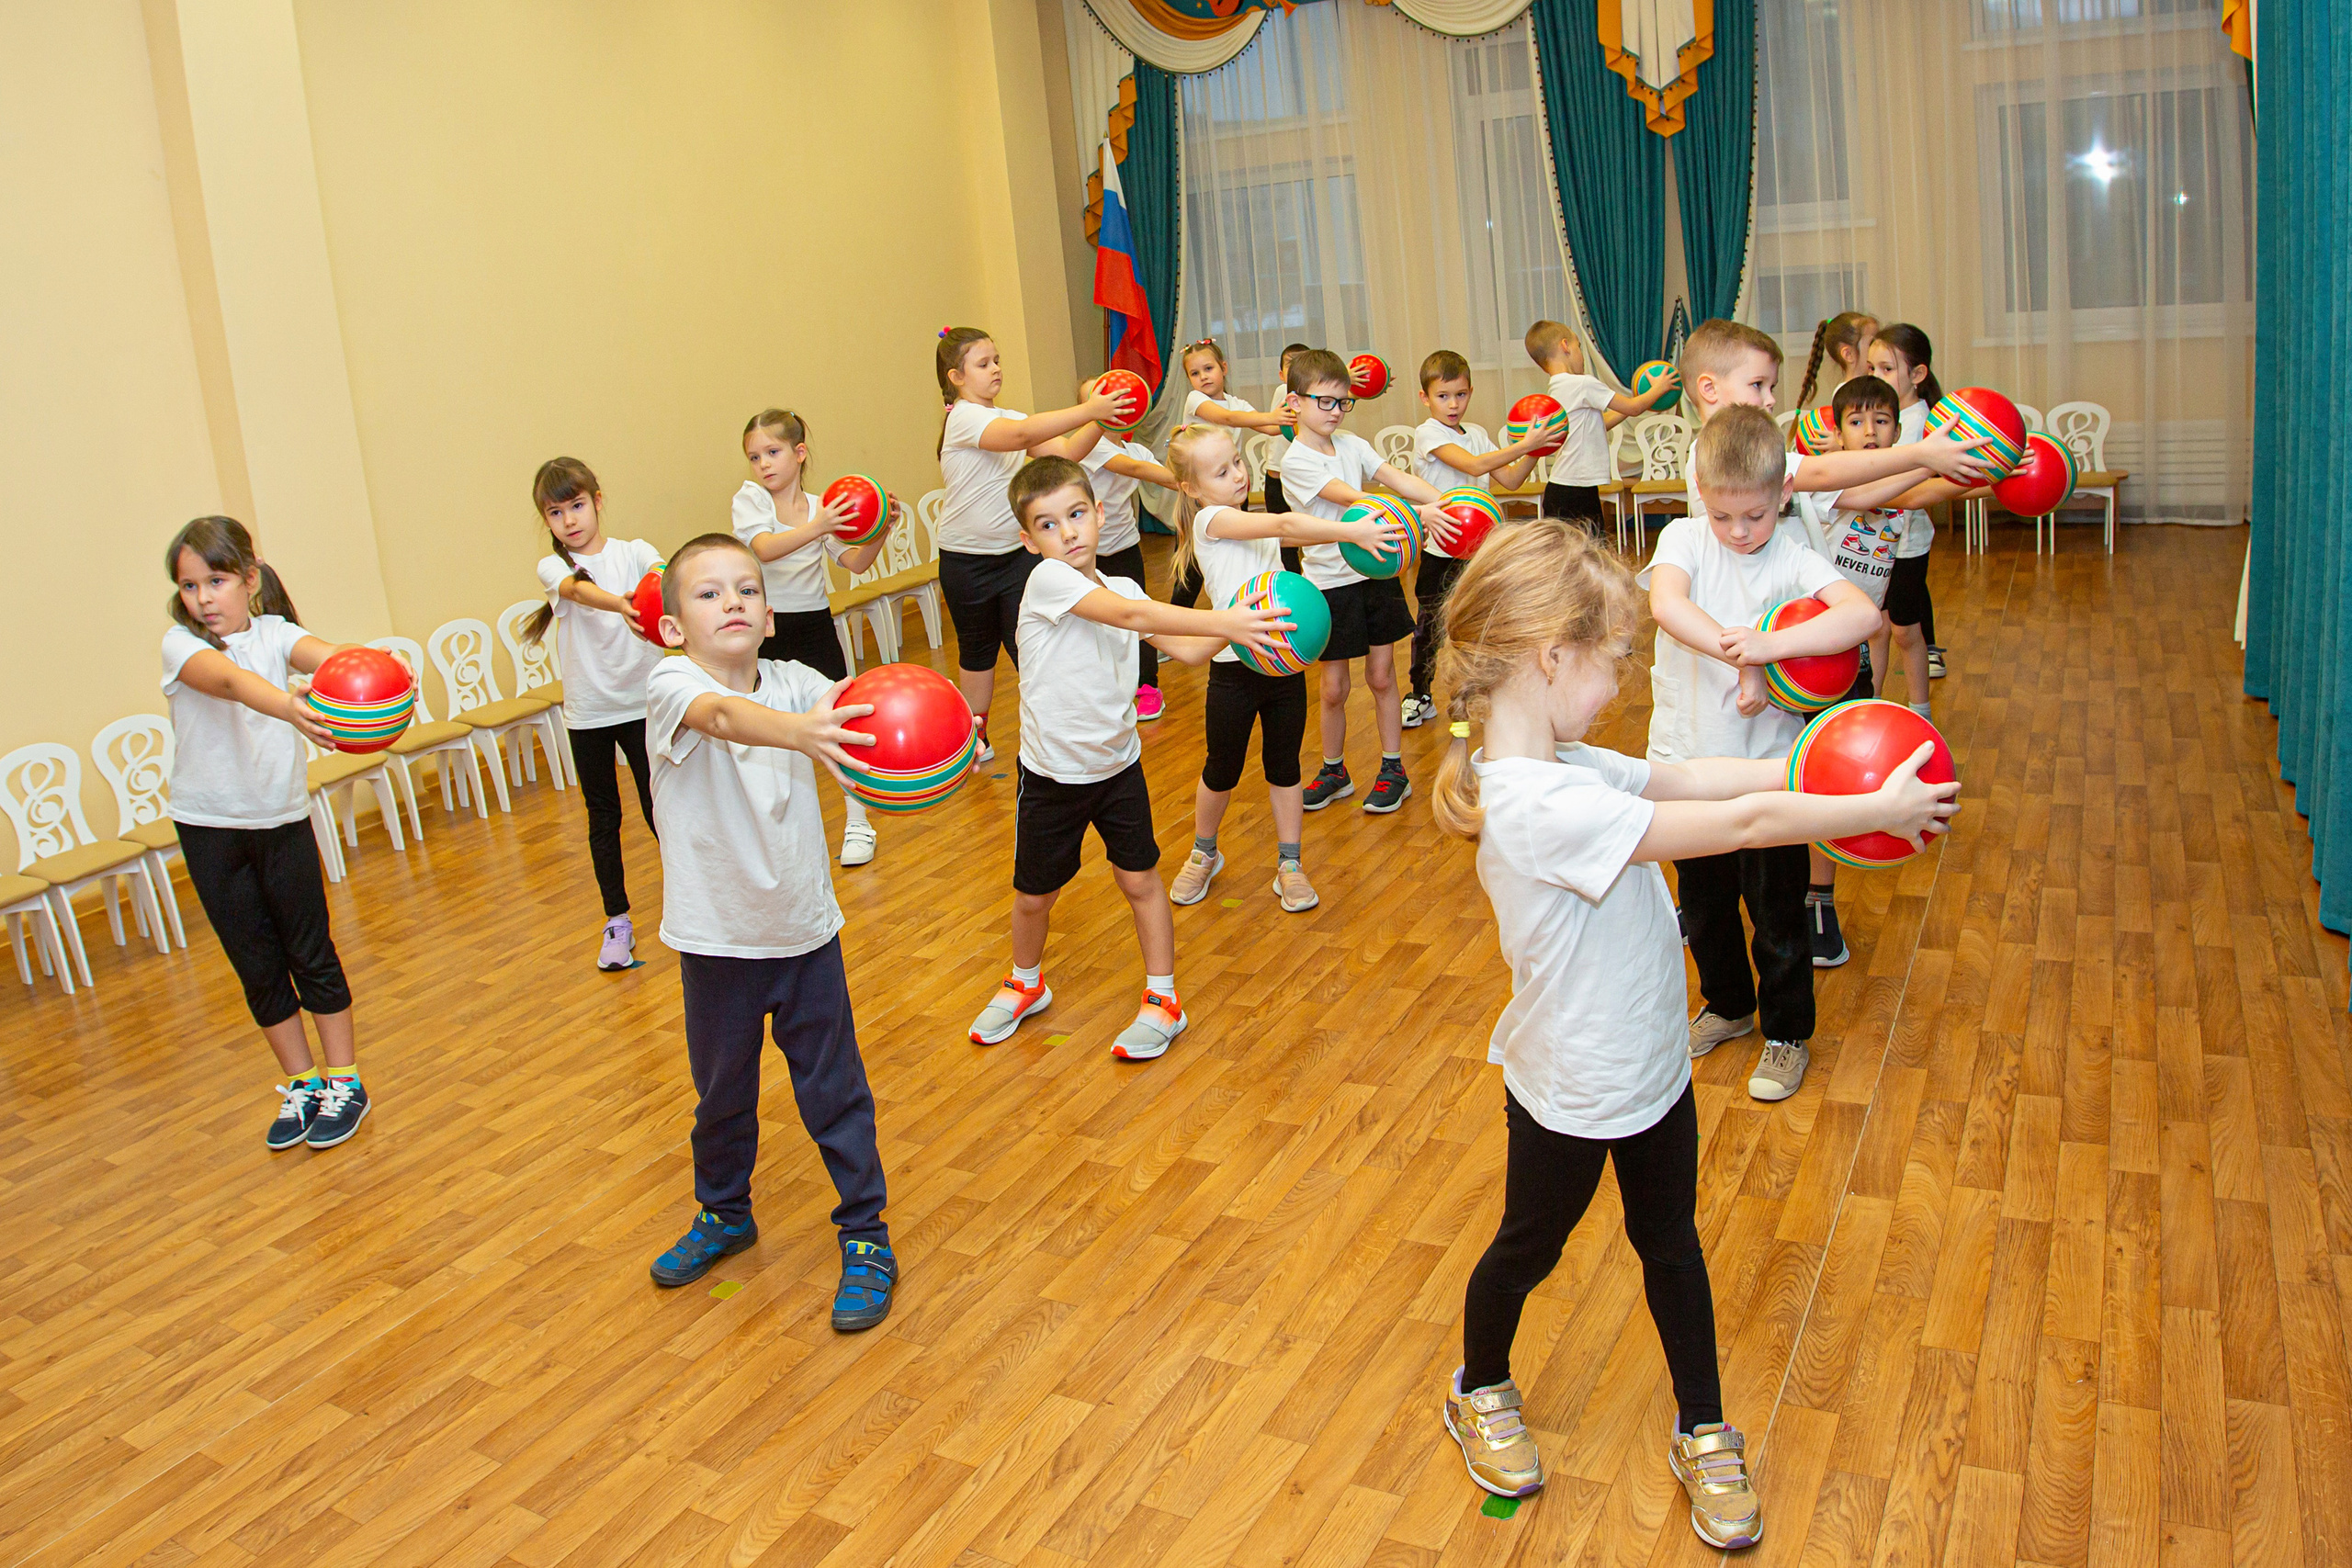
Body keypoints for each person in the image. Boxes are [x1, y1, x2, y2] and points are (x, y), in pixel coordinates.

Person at [1428, 517, 1956, 1549]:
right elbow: (1740, 830)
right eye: (1615, 657)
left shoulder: (1568, 758)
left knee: (1672, 1247)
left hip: (1652, 1070)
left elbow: (1698, 781)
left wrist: (1823, 776)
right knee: (1526, 1249)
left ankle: (1702, 1427)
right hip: (1571, 1090)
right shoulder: (1532, 804)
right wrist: (1857, 808)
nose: (1621, 678)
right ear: (1552, 654)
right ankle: (1479, 1383)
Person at [639, 534, 899, 1331]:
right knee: (722, 1096)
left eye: (748, 590)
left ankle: (866, 1235)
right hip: (716, 942)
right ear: (674, 625)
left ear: (771, 615)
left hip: (805, 933)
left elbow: (872, 714)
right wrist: (804, 734)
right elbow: (724, 715)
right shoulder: (671, 684)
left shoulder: (799, 684)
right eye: (710, 593)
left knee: (835, 1092)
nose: (733, 603)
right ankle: (724, 1213)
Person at [966, 457, 1285, 1059]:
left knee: (1139, 880)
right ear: (1028, 541)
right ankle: (1025, 981)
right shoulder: (1049, 583)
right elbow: (1134, 618)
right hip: (1050, 777)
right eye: (1049, 525)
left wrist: (1245, 620)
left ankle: (1163, 999)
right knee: (1034, 894)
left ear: (1101, 513)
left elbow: (1188, 651)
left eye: (1077, 514)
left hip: (1117, 771)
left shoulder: (1125, 587)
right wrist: (1228, 618)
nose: (1068, 533)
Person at [1643, 408, 1883, 1102]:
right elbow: (1666, 606)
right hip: (1687, 760)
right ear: (1701, 495)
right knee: (1705, 902)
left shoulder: (1796, 555)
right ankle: (1727, 1005)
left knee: (1776, 908)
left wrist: (1769, 650)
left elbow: (1861, 615)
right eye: (1724, 516)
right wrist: (1737, 651)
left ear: (1783, 496)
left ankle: (1785, 1032)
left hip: (1770, 769)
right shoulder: (1684, 538)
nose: (1739, 532)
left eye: (1754, 515)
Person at [161, 516, 370, 1151]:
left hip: (281, 823)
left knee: (311, 952)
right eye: (190, 585)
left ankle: (345, 1081)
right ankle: (302, 1084)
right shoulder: (180, 646)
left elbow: (333, 659)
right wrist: (292, 706)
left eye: (216, 581)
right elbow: (229, 683)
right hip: (209, 829)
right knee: (256, 963)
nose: (203, 598)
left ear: (250, 579)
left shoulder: (278, 636)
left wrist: (381, 678)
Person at [1158, 423, 1405, 913]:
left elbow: (1292, 550)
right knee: (1221, 768)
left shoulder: (1253, 517)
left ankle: (1290, 864)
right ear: (1190, 488)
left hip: (1283, 667)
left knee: (1285, 766)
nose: (1237, 475)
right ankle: (1203, 852)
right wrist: (1350, 530)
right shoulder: (1211, 522)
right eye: (1221, 471)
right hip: (1232, 669)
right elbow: (1288, 526)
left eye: (1237, 462)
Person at [1277, 348, 1460, 815]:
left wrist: (1452, 503)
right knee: (1334, 688)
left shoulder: (1353, 445)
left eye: (1343, 402)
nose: (1336, 411)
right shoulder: (1295, 460)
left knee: (1382, 678)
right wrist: (1418, 513)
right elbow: (1353, 499)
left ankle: (1393, 769)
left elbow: (1395, 476)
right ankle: (1335, 770)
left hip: (1374, 573)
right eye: (1326, 401)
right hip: (1329, 585)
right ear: (1295, 403)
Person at [933, 326, 1127, 762]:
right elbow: (1021, 436)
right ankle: (974, 734)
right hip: (965, 560)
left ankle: (1057, 726)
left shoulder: (1010, 417)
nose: (996, 369)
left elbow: (1067, 454)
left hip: (1017, 556)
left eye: (997, 360)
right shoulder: (962, 417)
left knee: (1031, 644)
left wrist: (1101, 419)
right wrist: (1088, 407)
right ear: (957, 377)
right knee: (977, 651)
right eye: (983, 364)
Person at [732, 409, 898, 863]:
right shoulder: (751, 500)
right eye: (754, 456)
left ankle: (859, 822)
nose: (763, 464)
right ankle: (771, 833)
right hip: (765, 631)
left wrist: (882, 527)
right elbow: (764, 548)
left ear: (799, 453)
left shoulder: (821, 505)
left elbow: (855, 563)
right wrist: (821, 525)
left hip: (814, 625)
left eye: (773, 452)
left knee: (841, 724)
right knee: (764, 731)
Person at [524, 457, 668, 969]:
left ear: (598, 500)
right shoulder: (554, 568)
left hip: (641, 705)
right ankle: (617, 921)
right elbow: (576, 591)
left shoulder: (637, 552)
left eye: (578, 505)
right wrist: (621, 604)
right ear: (547, 520)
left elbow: (660, 575)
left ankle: (692, 897)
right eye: (557, 512)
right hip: (588, 713)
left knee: (660, 807)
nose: (570, 520)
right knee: (603, 817)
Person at [1789, 376, 1909, 967]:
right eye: (1857, 422)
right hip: (1806, 653)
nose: (1870, 432)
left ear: (1897, 428)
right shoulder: (1827, 483)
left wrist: (1985, 466)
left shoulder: (1899, 483)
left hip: (1852, 654)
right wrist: (1932, 462)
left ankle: (1819, 897)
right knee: (1790, 772)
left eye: (1882, 422)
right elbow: (1871, 494)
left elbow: (1928, 491)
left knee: (1831, 775)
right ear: (1837, 434)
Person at [1674, 319, 1988, 526]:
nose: (1770, 400)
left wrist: (1934, 466)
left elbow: (1859, 495)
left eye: (1772, 387)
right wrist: (1922, 455)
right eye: (1757, 385)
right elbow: (1823, 473)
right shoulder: (1724, 449)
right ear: (1709, 389)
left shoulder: (1761, 451)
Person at [1400, 349, 1559, 729]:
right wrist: (1523, 444)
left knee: (1481, 624)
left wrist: (1539, 448)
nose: (1453, 404)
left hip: (1480, 549)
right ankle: (1420, 693)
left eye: (1460, 395)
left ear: (1471, 392)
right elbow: (1472, 466)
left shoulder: (1479, 435)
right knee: (1430, 625)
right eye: (1443, 396)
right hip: (1441, 548)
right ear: (1425, 398)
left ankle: (1476, 691)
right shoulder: (1428, 433)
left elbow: (1511, 479)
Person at [1067, 378, 1182, 721]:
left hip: (1123, 548)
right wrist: (1187, 479)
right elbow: (1133, 469)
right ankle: (1098, 688)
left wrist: (1188, 461)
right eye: (1095, 400)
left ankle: (1147, 687)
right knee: (1088, 624)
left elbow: (1144, 465)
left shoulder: (1138, 450)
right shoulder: (1091, 448)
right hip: (1085, 554)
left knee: (1138, 616)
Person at [1521, 321, 1681, 528]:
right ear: (1565, 346)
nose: (1581, 354)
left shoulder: (1557, 388)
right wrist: (1659, 388)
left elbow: (1599, 423)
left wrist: (1636, 399)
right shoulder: (1582, 384)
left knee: (1572, 555)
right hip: (1575, 489)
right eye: (1578, 345)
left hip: (1564, 488)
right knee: (1589, 553)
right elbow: (1634, 409)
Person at [1866, 324, 1949, 692]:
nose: (1876, 377)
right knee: (1876, 629)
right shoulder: (1879, 415)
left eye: (1886, 369)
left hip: (1908, 548)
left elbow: (1913, 487)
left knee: (1904, 632)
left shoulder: (1926, 423)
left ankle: (1921, 710)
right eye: (1872, 369)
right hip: (1876, 545)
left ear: (1917, 375)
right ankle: (1870, 703)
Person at [1794, 310, 1880, 408]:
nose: (1879, 348)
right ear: (1848, 354)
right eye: (1872, 343)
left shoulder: (1874, 385)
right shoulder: (1846, 394)